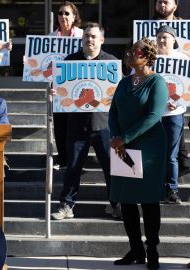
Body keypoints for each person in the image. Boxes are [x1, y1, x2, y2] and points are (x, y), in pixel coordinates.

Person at [50, 22, 120, 221]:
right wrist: (55, 93)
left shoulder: (112, 63)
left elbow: (119, 97)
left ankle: (117, 204)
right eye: (86, 36)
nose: (89, 39)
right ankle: (67, 205)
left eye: (93, 36)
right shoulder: (70, 61)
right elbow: (62, 93)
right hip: (77, 125)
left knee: (111, 168)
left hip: (105, 125)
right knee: (72, 167)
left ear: (101, 40)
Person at [109, 37, 166, 270]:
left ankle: (152, 250)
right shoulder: (124, 83)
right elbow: (113, 112)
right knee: (127, 200)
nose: (129, 54)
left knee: (148, 200)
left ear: (147, 56)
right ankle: (135, 250)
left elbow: (153, 117)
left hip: (149, 147)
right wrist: (116, 138)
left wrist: (126, 137)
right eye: (129, 50)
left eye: (134, 51)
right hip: (123, 147)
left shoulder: (156, 82)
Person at [49, 1, 83, 170]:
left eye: (67, 13)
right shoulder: (50, 38)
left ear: (74, 16)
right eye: (60, 13)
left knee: (77, 125)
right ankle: (62, 158)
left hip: (79, 88)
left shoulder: (83, 36)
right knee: (60, 124)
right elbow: (44, 65)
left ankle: (76, 159)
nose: (63, 16)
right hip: (58, 89)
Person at [156, 25, 187, 205]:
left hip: (174, 113)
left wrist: (177, 99)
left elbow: (187, 86)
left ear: (174, 40)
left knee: (170, 155)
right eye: (159, 37)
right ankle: (155, 188)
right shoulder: (150, 59)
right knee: (155, 153)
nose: (162, 40)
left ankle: (172, 190)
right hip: (153, 114)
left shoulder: (182, 59)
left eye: (165, 37)